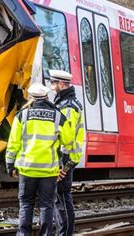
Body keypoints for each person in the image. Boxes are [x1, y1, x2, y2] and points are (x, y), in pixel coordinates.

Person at [6, 83, 73, 236]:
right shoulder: (58, 116)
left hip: (27, 170)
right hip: (48, 172)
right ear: (46, 97)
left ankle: (23, 234)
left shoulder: (22, 116)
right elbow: (68, 142)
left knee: (26, 204)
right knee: (46, 206)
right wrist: (65, 164)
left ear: (30, 97)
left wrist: (10, 165)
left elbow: (13, 143)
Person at [50, 70, 85, 236]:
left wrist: (63, 166)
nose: (52, 87)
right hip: (66, 159)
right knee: (61, 199)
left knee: (63, 199)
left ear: (62, 84)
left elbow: (67, 140)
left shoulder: (68, 107)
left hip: (66, 160)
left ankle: (65, 233)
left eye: (53, 83)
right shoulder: (66, 103)